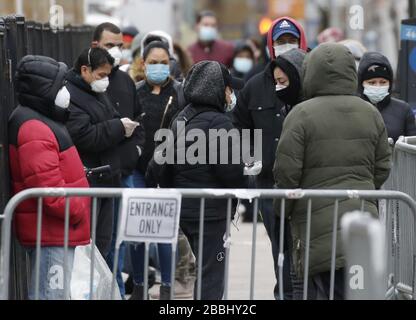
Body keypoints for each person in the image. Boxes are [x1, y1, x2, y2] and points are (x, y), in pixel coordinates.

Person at [274, 43, 391, 300]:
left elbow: (286, 173)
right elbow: (383, 166)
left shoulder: (300, 115)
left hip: (315, 226)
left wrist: (283, 210)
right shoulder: (370, 112)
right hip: (362, 221)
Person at [232, 16, 308, 300]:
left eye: (291, 41)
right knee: (280, 248)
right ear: (270, 46)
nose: (285, 47)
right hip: (269, 184)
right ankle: (286, 293)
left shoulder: (310, 81)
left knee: (305, 246)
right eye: (280, 42)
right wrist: (251, 161)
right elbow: (238, 127)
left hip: (308, 183)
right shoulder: (254, 86)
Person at [9, 55, 91, 300]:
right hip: (52, 232)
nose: (66, 91)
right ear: (45, 89)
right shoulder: (34, 128)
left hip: (54, 230)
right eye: (61, 85)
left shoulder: (39, 120)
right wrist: (78, 209)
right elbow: (48, 189)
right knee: (51, 295)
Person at [169, 61, 247, 300]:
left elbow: (162, 165)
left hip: (187, 210)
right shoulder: (219, 122)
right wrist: (248, 177)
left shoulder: (180, 119)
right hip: (211, 212)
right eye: (228, 88)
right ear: (218, 89)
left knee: (204, 271)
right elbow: (230, 172)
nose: (231, 94)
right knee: (211, 276)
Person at [65, 47, 138, 262]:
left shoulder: (96, 92)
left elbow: (110, 117)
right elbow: (83, 135)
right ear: (85, 70)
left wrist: (123, 127)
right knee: (88, 246)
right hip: (89, 179)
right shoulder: (71, 94)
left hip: (106, 177)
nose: (105, 81)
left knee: (103, 243)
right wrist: (118, 127)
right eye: (101, 75)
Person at [91, 22, 146, 299]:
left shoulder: (124, 81)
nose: (115, 51)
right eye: (110, 45)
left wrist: (134, 153)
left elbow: (139, 121)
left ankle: (118, 292)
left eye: (119, 46)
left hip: (124, 174)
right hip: (98, 177)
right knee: (101, 243)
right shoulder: (87, 79)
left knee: (120, 240)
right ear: (95, 46)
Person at [128, 41, 184, 300]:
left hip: (167, 172)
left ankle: (167, 287)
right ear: (143, 63)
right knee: (138, 229)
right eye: (153, 62)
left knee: (164, 231)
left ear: (170, 63)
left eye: (163, 62)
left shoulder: (180, 93)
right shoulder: (134, 92)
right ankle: (139, 284)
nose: (159, 67)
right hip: (138, 171)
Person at [357, 51, 416, 142]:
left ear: (390, 83)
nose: (378, 87)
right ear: (361, 83)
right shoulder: (353, 108)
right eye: (372, 82)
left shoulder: (403, 109)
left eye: (383, 82)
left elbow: (412, 145)